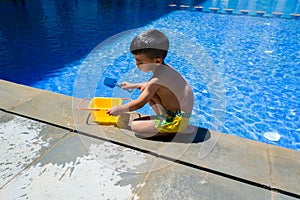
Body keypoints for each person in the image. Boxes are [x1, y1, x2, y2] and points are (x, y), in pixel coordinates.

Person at [106, 29, 195, 138]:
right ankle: (171, 123)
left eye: (140, 62)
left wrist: (119, 109)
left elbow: (139, 103)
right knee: (146, 89)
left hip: (177, 119)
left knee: (136, 126)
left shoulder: (156, 80)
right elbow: (151, 85)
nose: (136, 64)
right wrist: (132, 85)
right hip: (179, 114)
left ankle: (179, 129)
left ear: (157, 61)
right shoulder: (165, 70)